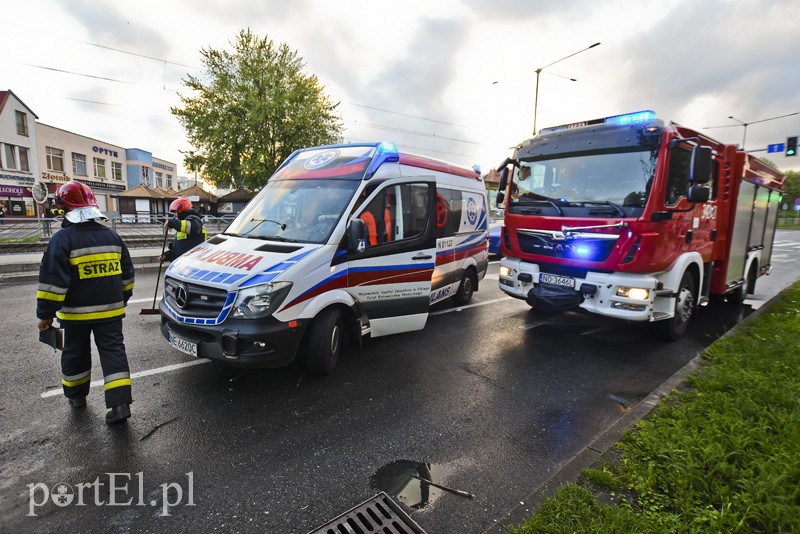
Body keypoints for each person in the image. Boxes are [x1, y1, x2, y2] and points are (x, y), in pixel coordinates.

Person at [36, 181, 135, 424]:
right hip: (111, 313)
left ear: (64, 209)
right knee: (114, 353)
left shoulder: (62, 240)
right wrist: (120, 300)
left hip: (75, 315)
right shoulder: (113, 237)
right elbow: (128, 277)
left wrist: (46, 315)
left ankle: (77, 397)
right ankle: (120, 405)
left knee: (75, 353)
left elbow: (52, 284)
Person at [159, 197, 207, 262]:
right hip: (182, 265)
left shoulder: (195, 219)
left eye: (176, 213)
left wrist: (171, 222)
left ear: (182, 212)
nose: (175, 216)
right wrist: (166, 256)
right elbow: (181, 250)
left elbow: (193, 227)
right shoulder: (182, 225)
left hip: (191, 264)